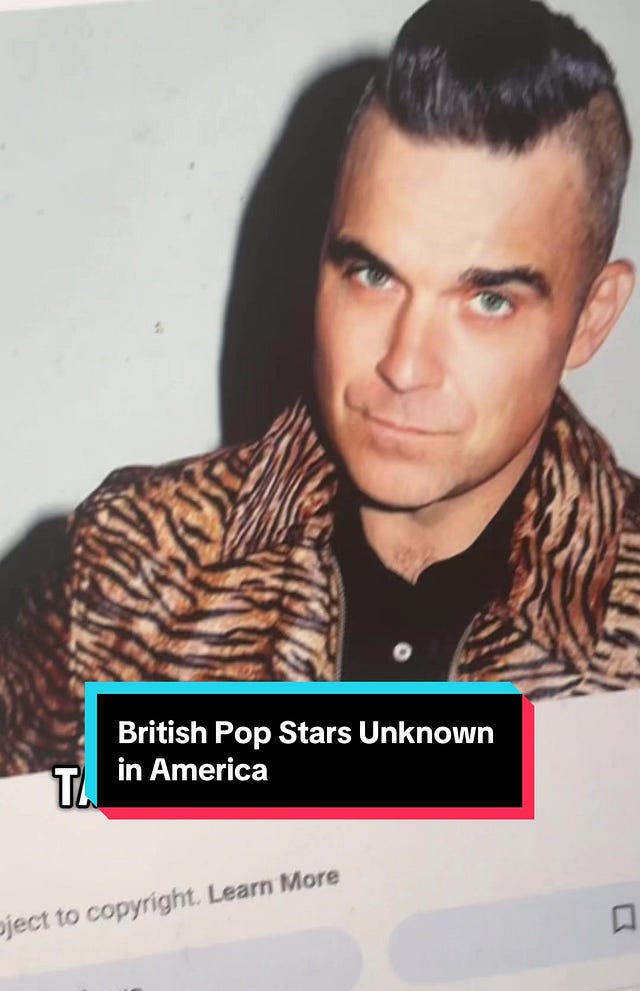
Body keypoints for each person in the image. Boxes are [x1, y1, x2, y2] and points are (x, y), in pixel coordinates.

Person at [2, 0, 640, 775]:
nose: (404, 366)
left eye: (489, 301)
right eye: (373, 275)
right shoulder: (118, 576)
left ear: (592, 317)